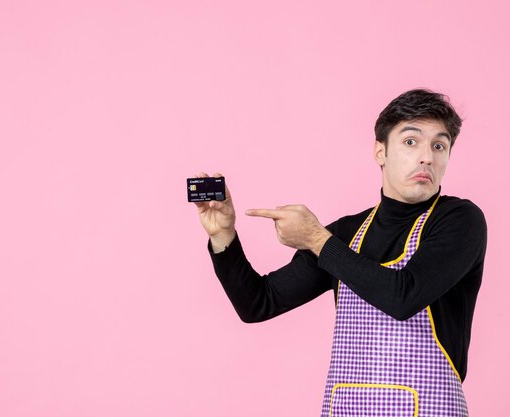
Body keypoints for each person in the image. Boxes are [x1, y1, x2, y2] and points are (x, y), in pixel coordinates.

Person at [193, 89, 487, 417]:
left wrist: (318, 241)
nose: (427, 157)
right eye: (410, 141)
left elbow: (404, 297)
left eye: (439, 145)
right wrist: (224, 236)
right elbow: (258, 303)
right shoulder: (346, 233)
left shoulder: (459, 220)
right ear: (380, 151)